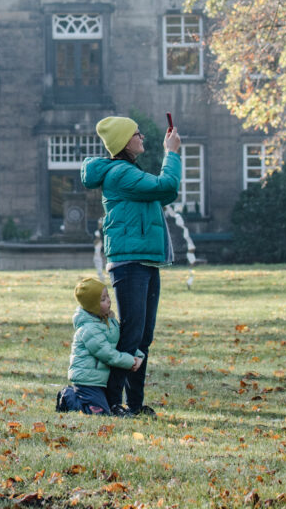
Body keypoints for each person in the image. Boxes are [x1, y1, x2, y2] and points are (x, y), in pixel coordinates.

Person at [81, 115, 181, 417]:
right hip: (129, 263)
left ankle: (135, 404)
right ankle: (112, 402)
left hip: (146, 261)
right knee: (131, 335)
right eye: (137, 134)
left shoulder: (129, 172)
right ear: (125, 142)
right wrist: (172, 152)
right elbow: (167, 187)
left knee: (143, 336)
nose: (142, 137)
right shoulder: (120, 174)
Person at [56, 276, 143, 415]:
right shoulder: (89, 329)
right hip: (87, 381)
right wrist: (130, 361)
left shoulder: (110, 322)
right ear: (93, 307)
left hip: (101, 380)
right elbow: (107, 354)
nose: (108, 301)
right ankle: (68, 396)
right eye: (103, 300)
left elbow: (122, 342)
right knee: (99, 412)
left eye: (108, 296)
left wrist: (138, 355)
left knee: (106, 409)